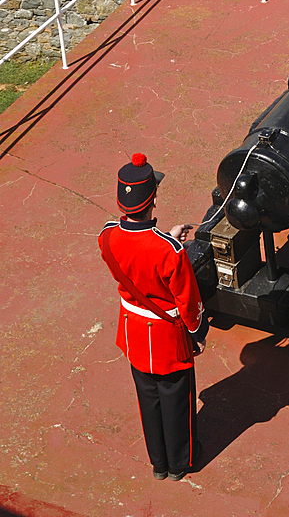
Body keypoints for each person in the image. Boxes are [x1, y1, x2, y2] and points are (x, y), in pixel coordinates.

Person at [98, 152, 209, 481]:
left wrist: (169, 238)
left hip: (133, 331)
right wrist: (197, 332)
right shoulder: (169, 251)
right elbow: (187, 302)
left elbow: (135, 256)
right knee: (177, 399)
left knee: (149, 399)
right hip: (165, 335)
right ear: (154, 200)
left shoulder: (106, 237)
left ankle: (159, 463)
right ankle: (181, 463)